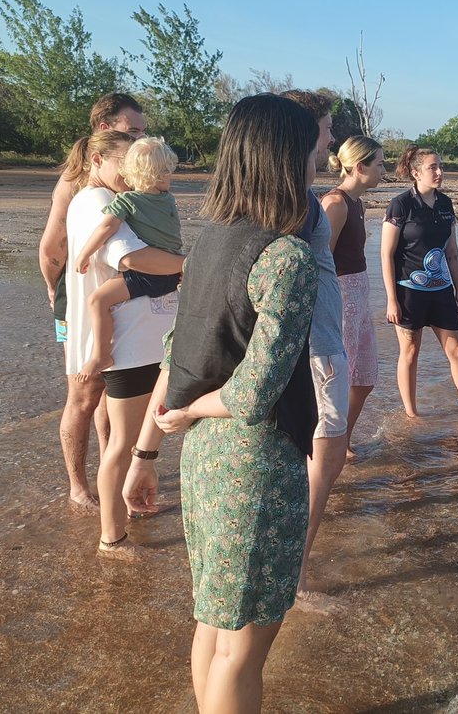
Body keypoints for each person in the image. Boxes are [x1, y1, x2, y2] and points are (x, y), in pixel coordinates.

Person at [123, 94, 320, 712]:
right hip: (253, 464)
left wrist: (146, 451)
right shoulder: (287, 255)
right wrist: (190, 412)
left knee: (213, 625)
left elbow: (177, 355)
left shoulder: (209, 243)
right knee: (244, 651)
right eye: (311, 151)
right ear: (287, 161)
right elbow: (255, 390)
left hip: (205, 464)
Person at [62, 130, 183, 559]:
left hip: (149, 337)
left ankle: (128, 506)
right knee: (120, 441)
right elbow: (134, 259)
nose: (133, 176)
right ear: (98, 161)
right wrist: (195, 265)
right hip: (130, 342)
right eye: (125, 164)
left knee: (138, 434)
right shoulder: (97, 201)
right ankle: (111, 537)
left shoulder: (133, 199)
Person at [39, 92, 147, 511]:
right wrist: (56, 292)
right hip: (79, 296)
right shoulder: (76, 179)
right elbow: (52, 246)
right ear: (105, 129)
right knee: (84, 391)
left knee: (112, 388)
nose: (140, 137)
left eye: (141, 131)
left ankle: (110, 467)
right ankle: (77, 485)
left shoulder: (131, 172)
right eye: (131, 130)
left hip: (121, 293)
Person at [280, 90, 350, 606]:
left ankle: (292, 568)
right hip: (316, 350)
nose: (332, 137)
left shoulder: (299, 199)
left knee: (322, 460)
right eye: (327, 128)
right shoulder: (298, 203)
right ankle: (295, 574)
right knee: (322, 462)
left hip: (320, 346)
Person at [382, 145, 458, 419]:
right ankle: (412, 414)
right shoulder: (400, 205)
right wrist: (391, 299)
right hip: (408, 292)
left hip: (441, 291)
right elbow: (386, 254)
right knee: (410, 352)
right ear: (415, 173)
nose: (439, 172)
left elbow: (452, 252)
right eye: (432, 167)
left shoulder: (446, 204)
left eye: (440, 166)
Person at [73, 137, 183, 381]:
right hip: (170, 273)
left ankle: (100, 355)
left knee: (98, 300)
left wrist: (84, 253)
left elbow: (105, 229)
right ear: (163, 174)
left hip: (147, 275)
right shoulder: (168, 201)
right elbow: (173, 236)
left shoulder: (127, 201)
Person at [322, 136, 386, 459]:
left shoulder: (358, 203)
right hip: (341, 297)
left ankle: (341, 440)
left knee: (364, 378)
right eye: (380, 164)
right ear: (360, 167)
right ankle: (326, 448)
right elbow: (320, 260)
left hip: (360, 296)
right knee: (338, 381)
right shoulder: (335, 204)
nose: (384, 170)